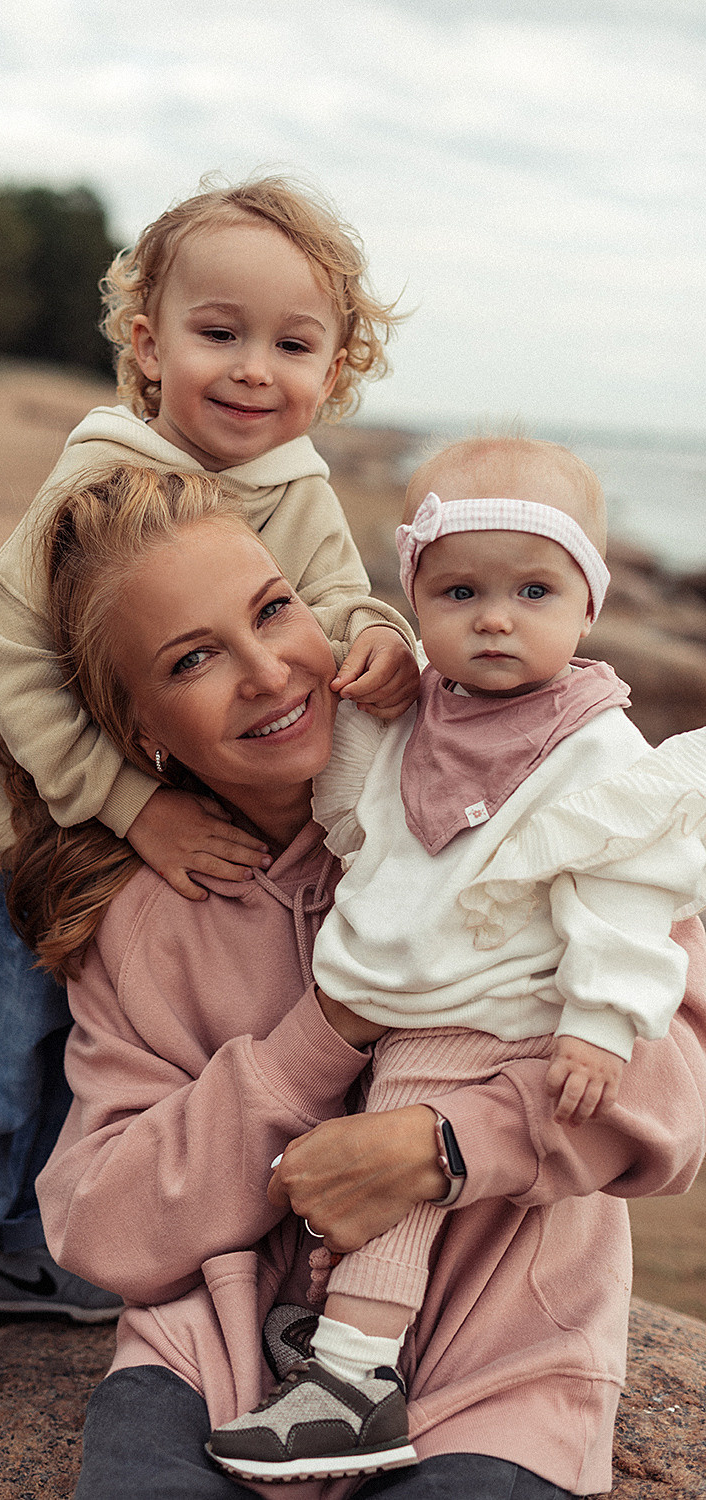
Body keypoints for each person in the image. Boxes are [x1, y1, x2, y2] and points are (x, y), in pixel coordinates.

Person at [0, 462, 706, 1498]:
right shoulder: (145, 919)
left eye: (274, 611)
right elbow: (102, 1221)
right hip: (218, 1358)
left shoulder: (547, 794)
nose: (270, 672)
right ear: (142, 728)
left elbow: (672, 1096)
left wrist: (439, 1147)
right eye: (193, 659)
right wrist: (325, 1031)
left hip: (494, 1361)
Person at [0, 174, 420, 1393]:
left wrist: (376, 634)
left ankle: (26, 1254)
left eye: (291, 344)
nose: (250, 370)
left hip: (116, 862)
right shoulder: (100, 474)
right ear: (146, 342)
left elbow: (332, 603)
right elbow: (8, 651)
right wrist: (131, 803)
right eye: (216, 333)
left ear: (334, 370)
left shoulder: (296, 488)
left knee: (85, 1058)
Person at [208, 435, 706, 1483]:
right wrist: (373, 666)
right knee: (363, 1159)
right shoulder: (423, 711)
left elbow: (626, 888)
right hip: (410, 998)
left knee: (396, 1181)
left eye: (532, 589)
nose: (493, 617)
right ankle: (345, 1328)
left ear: (587, 605)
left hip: (491, 1013)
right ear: (416, 596)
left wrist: (600, 1021)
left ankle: (353, 1376)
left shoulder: (591, 747)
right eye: (458, 590)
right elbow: (355, 797)